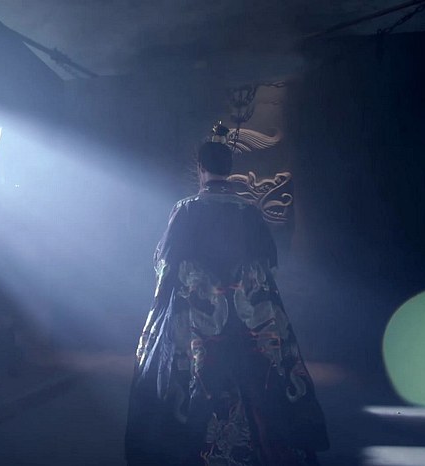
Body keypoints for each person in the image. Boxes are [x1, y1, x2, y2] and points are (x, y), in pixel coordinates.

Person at [125, 125, 329, 465]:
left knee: (189, 375)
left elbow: (165, 264)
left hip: (199, 320)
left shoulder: (186, 209)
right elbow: (267, 265)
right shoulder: (248, 212)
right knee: (261, 377)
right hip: (249, 319)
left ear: (201, 169)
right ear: (229, 169)